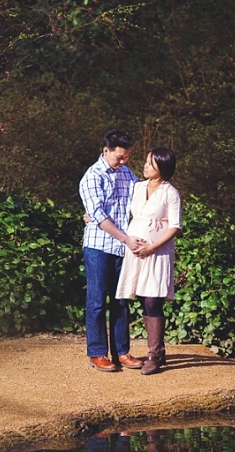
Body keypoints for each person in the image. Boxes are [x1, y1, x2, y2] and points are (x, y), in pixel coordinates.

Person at [78, 130, 144, 373]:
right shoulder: (92, 177)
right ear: (106, 151)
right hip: (99, 245)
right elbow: (99, 216)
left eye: (126, 157)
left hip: (121, 246)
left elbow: (142, 199)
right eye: (119, 157)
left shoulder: (128, 174)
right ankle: (97, 353)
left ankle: (122, 351)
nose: (123, 162)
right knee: (96, 300)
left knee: (121, 300)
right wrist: (127, 239)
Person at [115, 147, 182, 375]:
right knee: (143, 297)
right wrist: (89, 217)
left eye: (150, 164)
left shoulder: (170, 193)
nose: (145, 166)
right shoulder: (137, 187)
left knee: (153, 299)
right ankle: (156, 351)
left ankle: (155, 353)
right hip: (135, 251)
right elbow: (118, 208)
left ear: (162, 168)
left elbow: (175, 225)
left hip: (158, 252)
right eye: (146, 162)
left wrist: (152, 246)